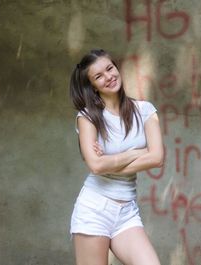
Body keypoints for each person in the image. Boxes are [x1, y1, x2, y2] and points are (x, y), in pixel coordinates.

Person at [69, 49, 164, 265]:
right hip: (94, 209)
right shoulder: (87, 117)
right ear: (92, 85)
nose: (108, 77)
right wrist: (137, 153)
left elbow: (157, 158)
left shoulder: (145, 111)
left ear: (117, 68)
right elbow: (95, 166)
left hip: (127, 212)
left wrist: (108, 162)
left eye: (110, 68)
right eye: (98, 76)